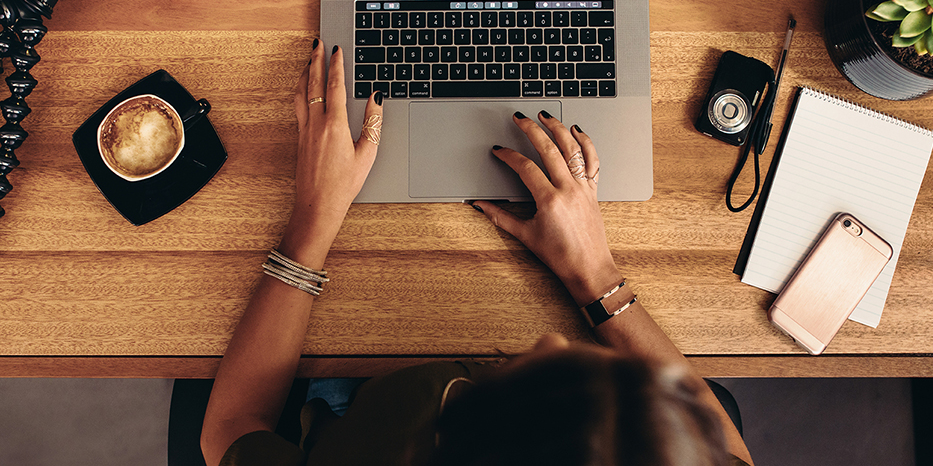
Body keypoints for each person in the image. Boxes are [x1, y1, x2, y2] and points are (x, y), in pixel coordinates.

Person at [200, 40, 754, 466]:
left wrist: (313, 220)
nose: (551, 338)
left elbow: (227, 430)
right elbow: (728, 450)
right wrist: (595, 276)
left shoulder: (382, 444)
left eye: (541, 380)